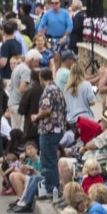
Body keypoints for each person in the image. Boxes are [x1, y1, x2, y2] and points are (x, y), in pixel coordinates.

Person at [32, 67, 67, 195]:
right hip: (59, 129)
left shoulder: (48, 90)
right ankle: (54, 188)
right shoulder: (57, 89)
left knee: (47, 160)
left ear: (41, 78)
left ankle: (50, 188)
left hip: (49, 129)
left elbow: (46, 110)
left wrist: (36, 117)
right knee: (52, 159)